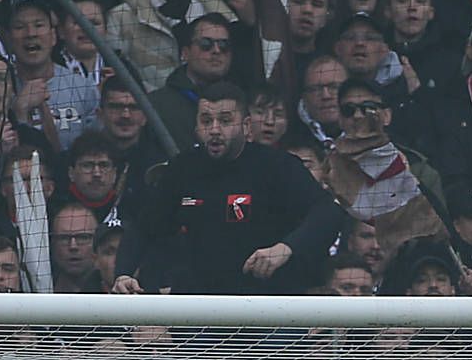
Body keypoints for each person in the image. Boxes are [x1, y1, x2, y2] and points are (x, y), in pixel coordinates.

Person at [115, 82, 343, 294]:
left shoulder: (278, 166)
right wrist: (124, 273)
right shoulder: (182, 169)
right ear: (196, 126)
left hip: (269, 306)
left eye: (225, 121)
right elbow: (144, 226)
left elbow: (327, 213)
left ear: (245, 126)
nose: (214, 129)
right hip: (199, 308)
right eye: (206, 120)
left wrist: (286, 248)